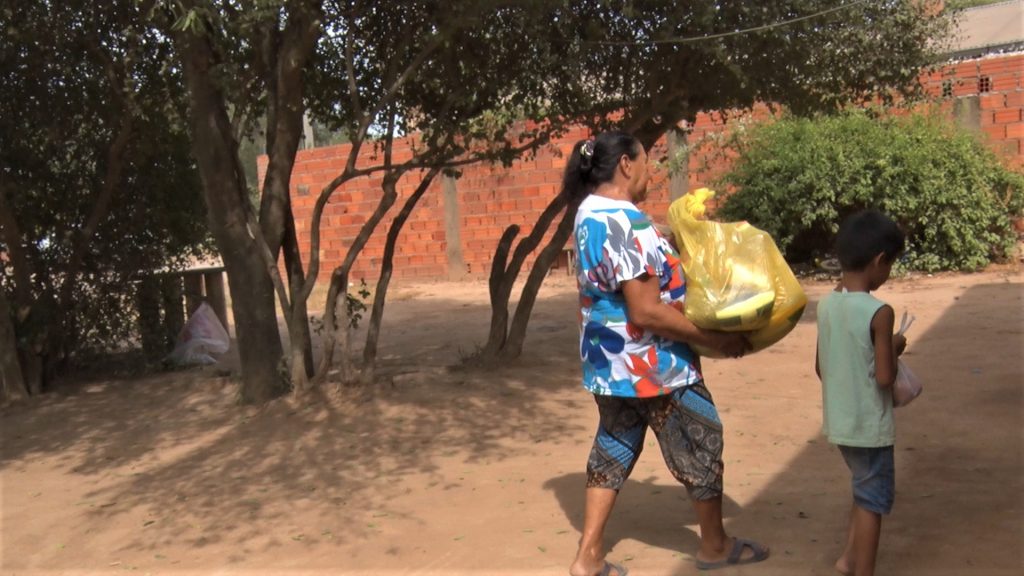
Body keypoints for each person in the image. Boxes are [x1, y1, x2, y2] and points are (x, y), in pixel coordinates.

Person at [566, 131, 770, 576]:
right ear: (625, 164)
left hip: (608, 363)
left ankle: (588, 557)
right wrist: (716, 340)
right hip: (653, 364)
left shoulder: (588, 214)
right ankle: (714, 545)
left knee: (615, 444)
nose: (650, 171)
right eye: (646, 162)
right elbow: (647, 311)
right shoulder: (626, 222)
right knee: (702, 438)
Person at [815, 209, 907, 576]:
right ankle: (862, 569)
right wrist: (896, 348)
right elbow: (885, 377)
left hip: (840, 422)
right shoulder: (879, 312)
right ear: (879, 261)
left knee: (862, 488)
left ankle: (847, 559)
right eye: (890, 265)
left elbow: (820, 367)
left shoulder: (827, 304)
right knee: (873, 502)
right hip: (870, 426)